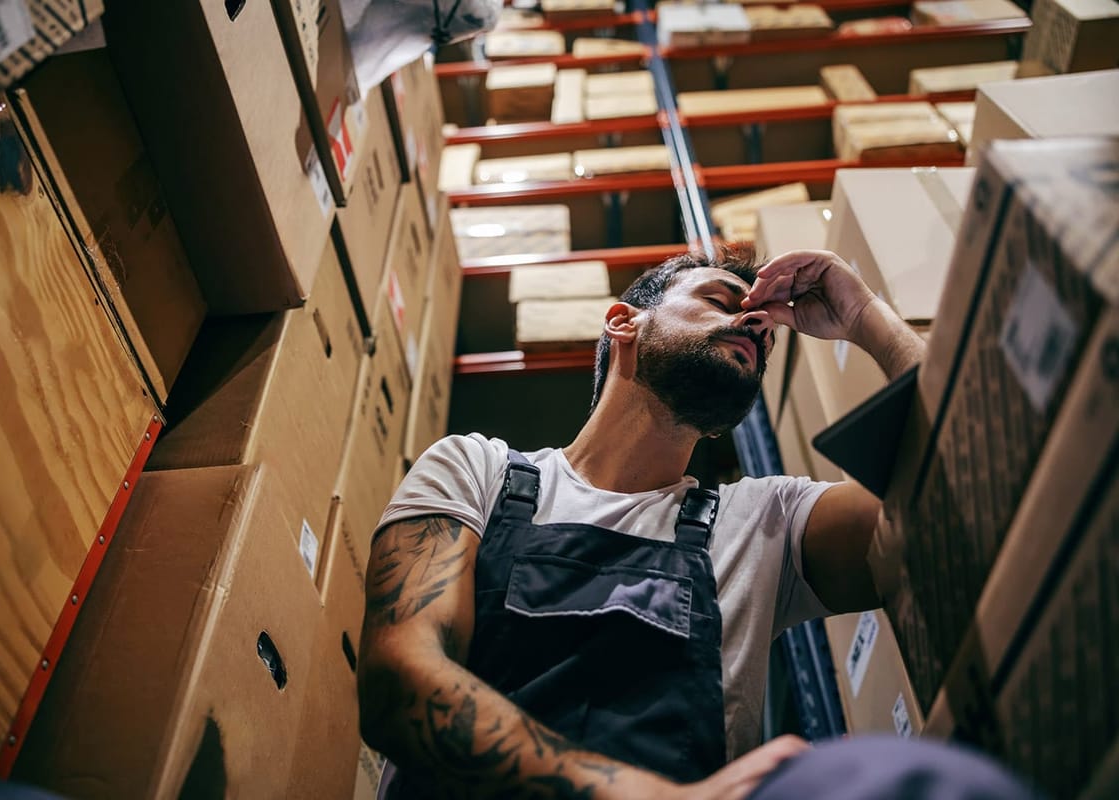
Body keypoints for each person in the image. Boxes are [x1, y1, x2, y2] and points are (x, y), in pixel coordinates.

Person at [356, 247, 1031, 800]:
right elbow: (398, 680)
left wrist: (865, 316)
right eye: (722, 301)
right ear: (624, 323)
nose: (758, 327)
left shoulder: (764, 522)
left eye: (766, 335)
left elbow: (954, 500)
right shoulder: (478, 472)